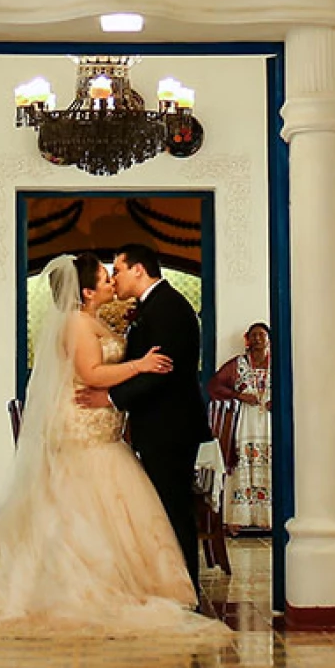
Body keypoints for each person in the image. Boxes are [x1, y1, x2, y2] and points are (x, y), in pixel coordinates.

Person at [0, 254, 226, 640]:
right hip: (84, 429)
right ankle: (84, 586)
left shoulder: (99, 319)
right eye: (105, 277)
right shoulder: (77, 323)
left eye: (116, 273)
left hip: (106, 431)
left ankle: (131, 584)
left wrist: (120, 383)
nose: (112, 280)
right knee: (85, 505)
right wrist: (138, 366)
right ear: (88, 290)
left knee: (113, 507)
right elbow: (90, 373)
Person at [78, 243, 212, 591]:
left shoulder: (168, 309)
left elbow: (160, 373)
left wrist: (109, 397)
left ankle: (186, 589)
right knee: (161, 510)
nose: (115, 278)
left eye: (118, 270)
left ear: (139, 269)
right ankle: (171, 585)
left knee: (173, 509)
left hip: (170, 426)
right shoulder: (152, 307)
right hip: (158, 425)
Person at [206, 322, 273, 533]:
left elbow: (294, 385)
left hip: (270, 423)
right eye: (253, 335)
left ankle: (268, 518)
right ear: (247, 339)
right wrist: (238, 395)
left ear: (268, 339)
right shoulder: (238, 364)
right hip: (245, 422)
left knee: (270, 464)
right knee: (243, 462)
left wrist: (277, 400)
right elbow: (214, 385)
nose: (257, 339)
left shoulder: (278, 363)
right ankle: (239, 518)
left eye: (261, 335)